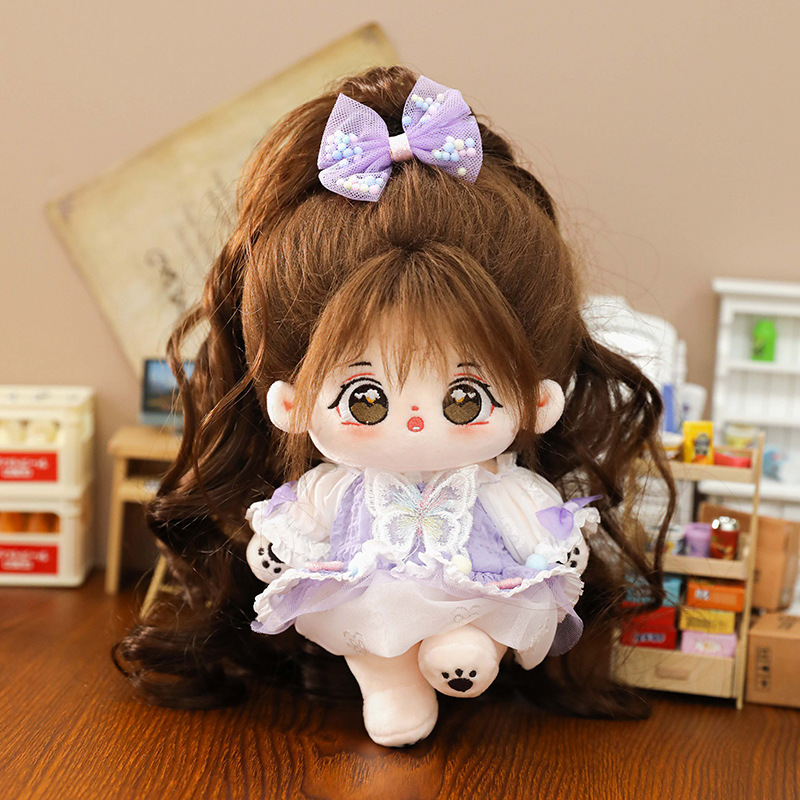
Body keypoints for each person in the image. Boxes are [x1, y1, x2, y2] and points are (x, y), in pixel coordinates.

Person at [115, 66, 674, 745]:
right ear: (290, 404)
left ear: (538, 402)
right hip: (364, 597)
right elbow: (296, 532)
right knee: (370, 644)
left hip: (475, 591)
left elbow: (539, 537)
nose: (413, 422)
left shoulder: (499, 487)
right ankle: (390, 687)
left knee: (475, 632)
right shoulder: (332, 489)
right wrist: (287, 549)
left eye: (463, 398)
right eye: (366, 399)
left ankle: (467, 647)